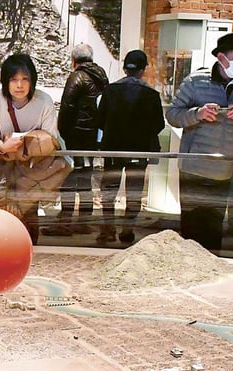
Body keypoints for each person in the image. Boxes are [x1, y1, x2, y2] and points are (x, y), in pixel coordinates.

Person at [165, 32, 233, 252]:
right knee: (190, 230)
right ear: (221, 57)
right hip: (193, 169)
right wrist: (197, 113)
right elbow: (173, 115)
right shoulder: (196, 82)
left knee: (214, 230)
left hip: (223, 172)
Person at [0, 53, 68, 244]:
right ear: (5, 81)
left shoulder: (44, 101)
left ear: (32, 81)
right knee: (3, 217)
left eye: (24, 79)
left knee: (28, 216)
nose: (19, 85)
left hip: (33, 168)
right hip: (2, 165)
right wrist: (3, 146)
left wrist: (27, 146)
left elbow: (51, 138)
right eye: (14, 80)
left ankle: (29, 254)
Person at [95, 49, 163, 244]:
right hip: (139, 150)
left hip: (113, 148)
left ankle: (107, 229)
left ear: (124, 68)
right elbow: (158, 124)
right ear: (143, 70)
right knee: (134, 191)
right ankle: (128, 229)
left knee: (109, 190)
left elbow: (100, 120)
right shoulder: (151, 94)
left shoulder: (110, 90)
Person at [57, 43, 108, 230]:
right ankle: (84, 220)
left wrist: (62, 130)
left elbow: (67, 106)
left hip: (76, 133)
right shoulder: (102, 76)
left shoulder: (77, 76)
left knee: (70, 176)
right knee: (86, 175)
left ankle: (66, 220)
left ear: (73, 60)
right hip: (93, 134)